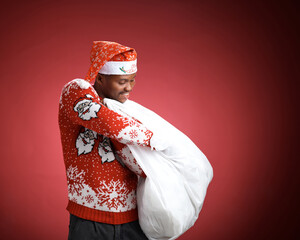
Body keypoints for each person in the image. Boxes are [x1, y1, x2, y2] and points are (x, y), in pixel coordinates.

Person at [59, 41, 152, 240]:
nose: (129, 88)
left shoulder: (122, 109)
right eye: (122, 81)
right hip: (89, 221)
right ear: (100, 78)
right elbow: (111, 125)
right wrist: (155, 138)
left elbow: (143, 165)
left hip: (133, 221)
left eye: (133, 80)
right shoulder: (76, 91)